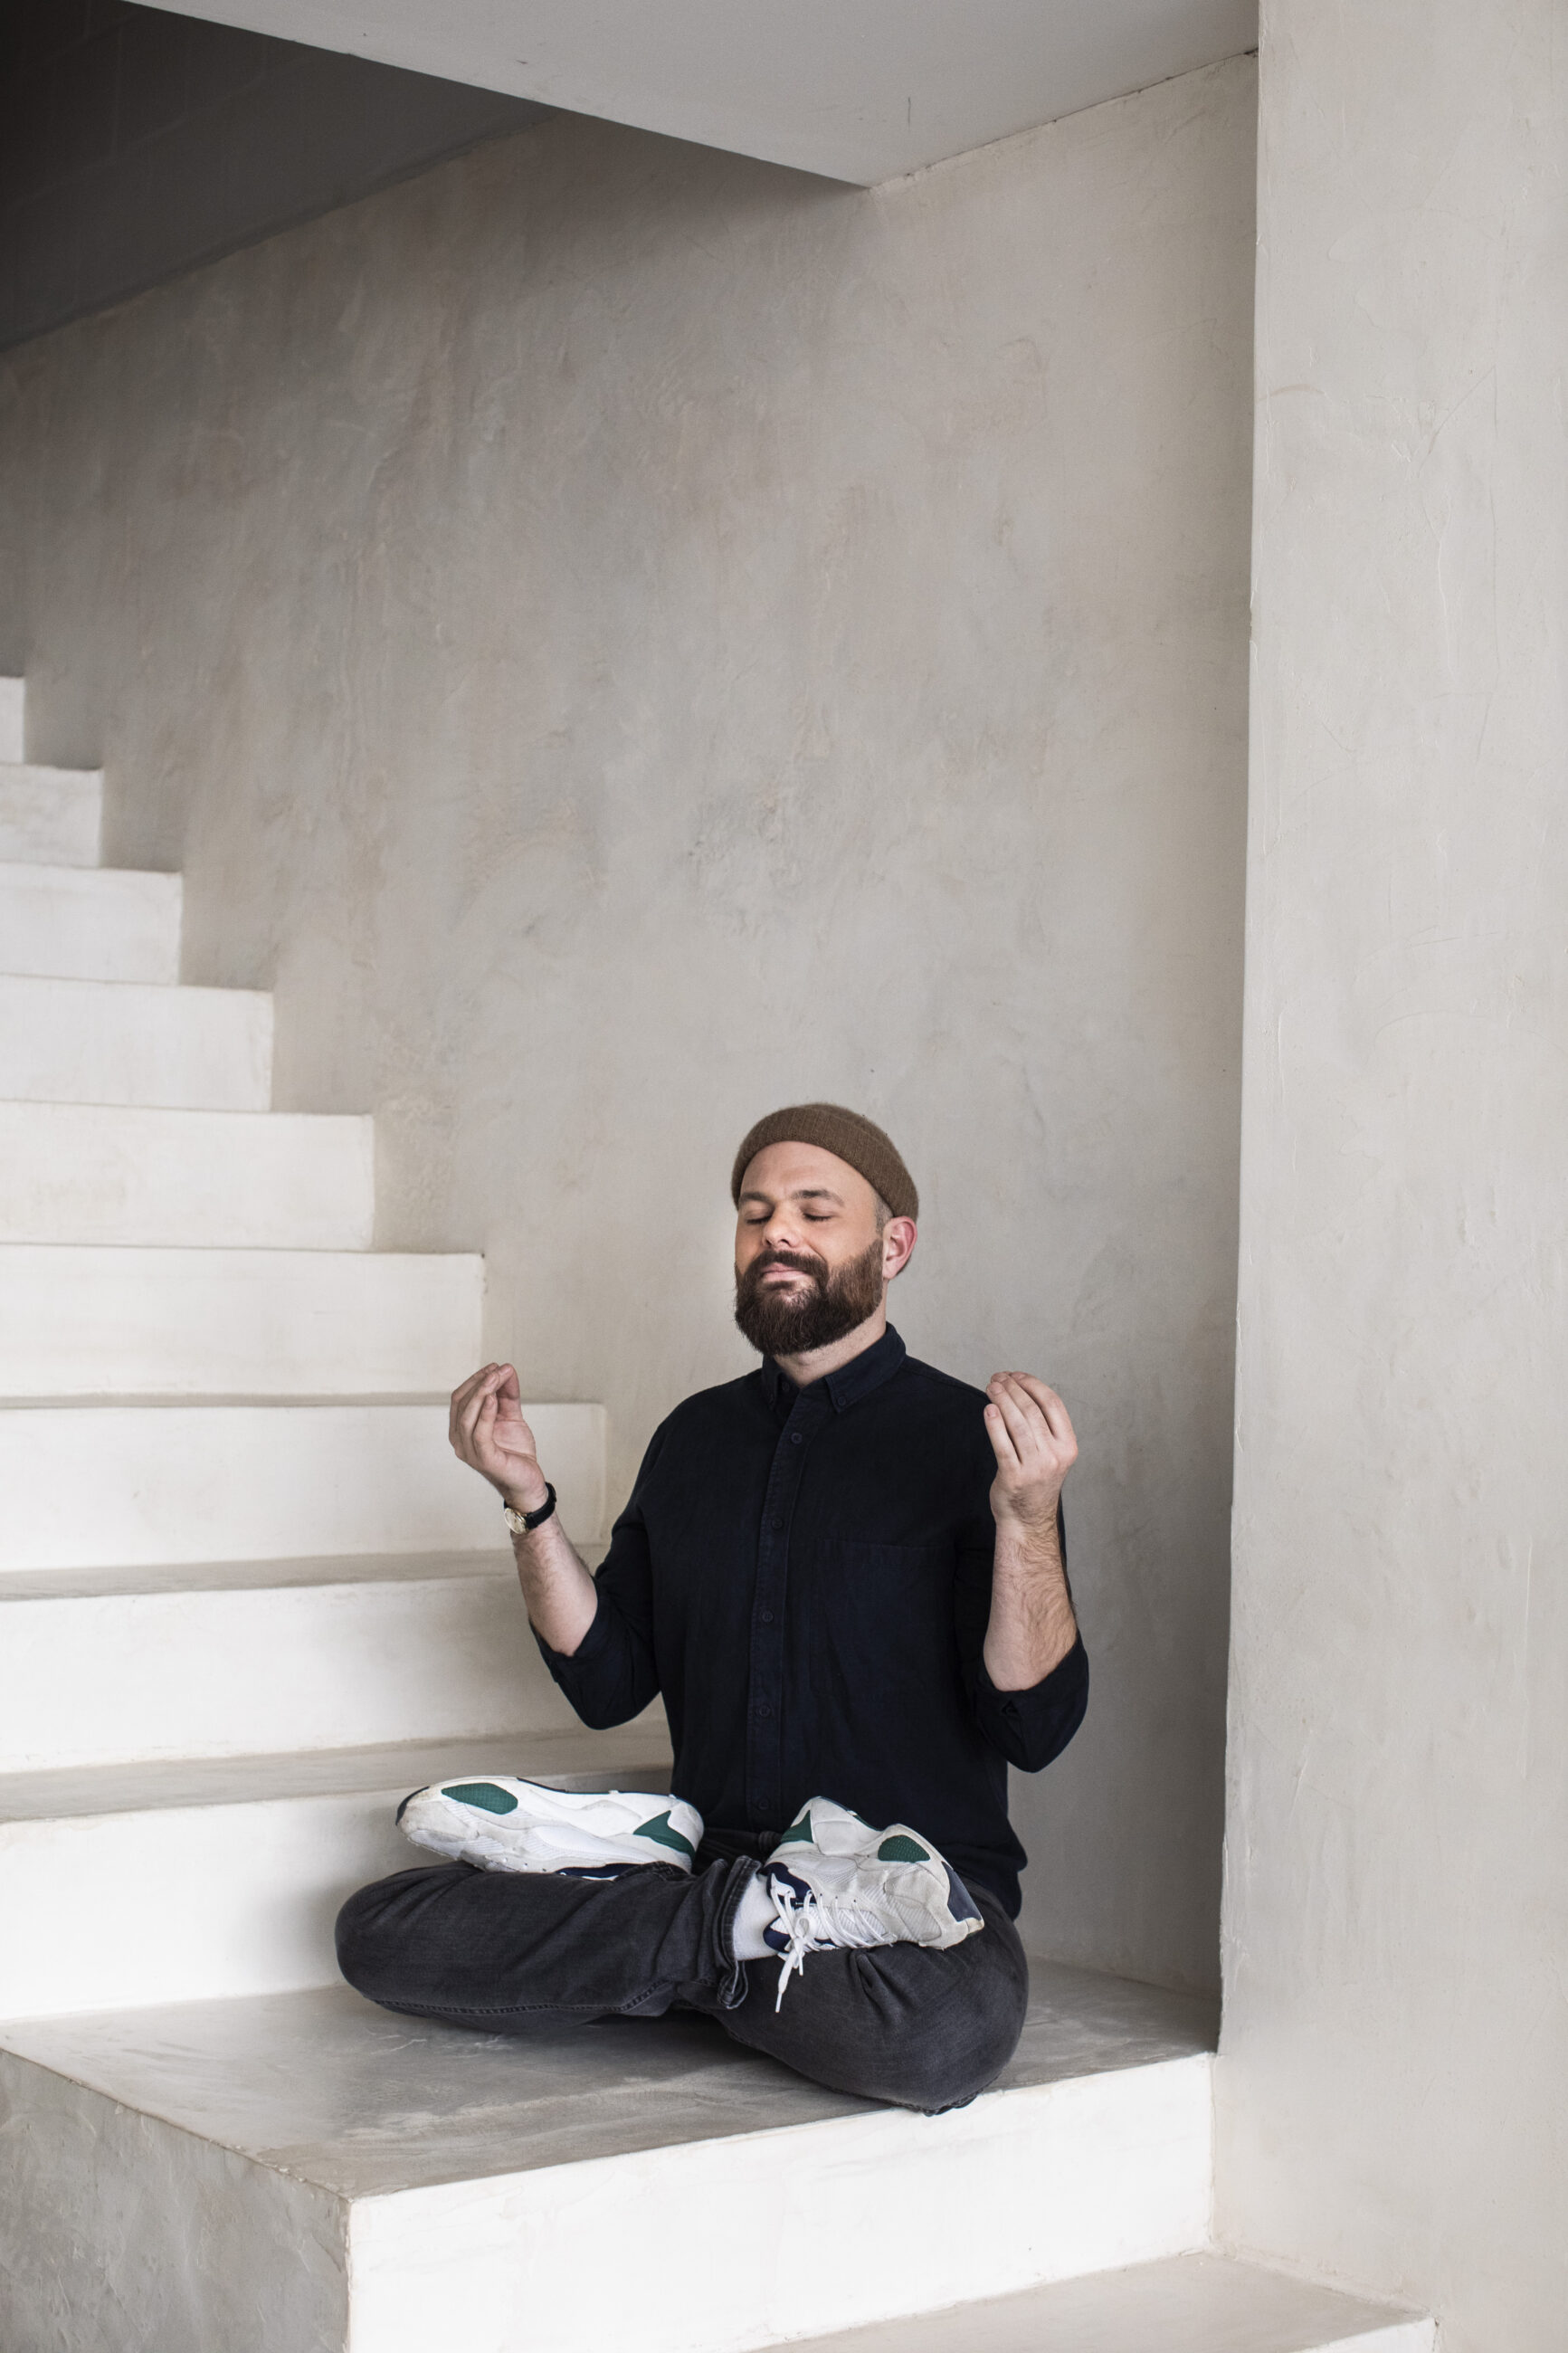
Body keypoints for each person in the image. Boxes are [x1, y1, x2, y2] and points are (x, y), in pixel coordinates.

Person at [337, 1103, 1088, 2112]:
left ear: (892, 1245)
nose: (777, 1233)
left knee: (944, 2033)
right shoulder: (692, 1438)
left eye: (815, 1211)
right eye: (755, 1213)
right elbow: (607, 1683)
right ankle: (741, 1931)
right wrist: (529, 1502)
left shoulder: (975, 1443)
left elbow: (1033, 1726)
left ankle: (678, 1940)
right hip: (714, 1858)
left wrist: (1027, 1517)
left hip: (908, 1907)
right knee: (381, 1930)